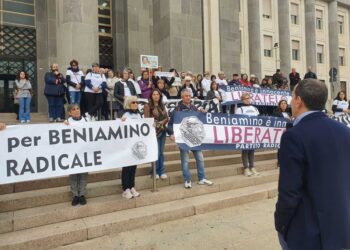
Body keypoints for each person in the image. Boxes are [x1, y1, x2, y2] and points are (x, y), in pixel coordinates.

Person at [275, 78, 350, 250]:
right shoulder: (345, 132)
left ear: (299, 101)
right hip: (342, 229)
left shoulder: (293, 136)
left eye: (292, 97)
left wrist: (280, 223)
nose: (291, 101)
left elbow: (289, 191)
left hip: (307, 233)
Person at [168, 89, 213, 188]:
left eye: (189, 95)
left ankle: (202, 178)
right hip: (184, 139)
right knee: (185, 161)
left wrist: (203, 112)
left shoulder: (194, 108)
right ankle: (187, 180)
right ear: (182, 97)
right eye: (186, 96)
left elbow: (202, 120)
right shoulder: (177, 109)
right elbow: (171, 124)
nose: (188, 97)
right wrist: (171, 133)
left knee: (200, 159)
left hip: (195, 138)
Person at [64, 104, 89, 206]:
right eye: (73, 109)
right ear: (69, 112)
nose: (76, 111)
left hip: (84, 152)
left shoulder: (86, 121)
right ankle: (75, 195)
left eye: (78, 108)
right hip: (72, 153)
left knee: (83, 175)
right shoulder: (67, 122)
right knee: (74, 175)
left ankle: (82, 194)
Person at [119, 96, 141, 199]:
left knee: (133, 167)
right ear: (128, 104)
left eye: (136, 102)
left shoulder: (139, 114)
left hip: (135, 145)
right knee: (127, 167)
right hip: (127, 145)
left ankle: (132, 186)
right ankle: (125, 188)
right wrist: (121, 122)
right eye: (133, 102)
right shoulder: (125, 114)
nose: (135, 104)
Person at [144, 89, 169, 179]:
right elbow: (147, 119)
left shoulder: (162, 105)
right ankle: (155, 172)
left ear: (160, 96)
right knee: (156, 153)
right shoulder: (147, 106)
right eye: (154, 94)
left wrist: (160, 123)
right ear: (151, 96)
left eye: (157, 94)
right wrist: (159, 124)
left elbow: (167, 118)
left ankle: (161, 171)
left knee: (161, 153)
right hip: (153, 133)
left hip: (162, 132)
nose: (156, 96)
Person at [236, 93, 260, 177]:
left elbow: (259, 119)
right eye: (245, 98)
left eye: (248, 98)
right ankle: (246, 168)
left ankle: (252, 167)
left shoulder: (255, 108)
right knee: (245, 150)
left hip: (253, 131)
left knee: (252, 150)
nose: (247, 99)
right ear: (242, 100)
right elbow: (237, 121)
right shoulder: (240, 109)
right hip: (244, 132)